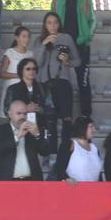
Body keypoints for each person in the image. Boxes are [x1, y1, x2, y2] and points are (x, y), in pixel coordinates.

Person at [51, 0, 96, 117]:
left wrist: (87, 37)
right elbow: (52, 21)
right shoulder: (57, 1)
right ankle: (60, 114)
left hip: (81, 44)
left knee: (83, 81)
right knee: (60, 80)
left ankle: (85, 116)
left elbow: (92, 20)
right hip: (62, 44)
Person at [36, 12, 77, 148]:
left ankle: (65, 150)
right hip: (46, 83)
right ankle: (51, 150)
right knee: (50, 119)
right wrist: (44, 44)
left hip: (63, 81)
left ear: (59, 24)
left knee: (67, 119)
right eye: (49, 22)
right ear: (45, 25)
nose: (53, 26)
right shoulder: (39, 40)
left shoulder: (66, 38)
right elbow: (36, 63)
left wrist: (67, 61)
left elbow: (78, 60)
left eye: (55, 22)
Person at [0, 99, 51, 181]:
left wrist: (37, 135)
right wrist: (18, 136)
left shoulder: (32, 129)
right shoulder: (0, 129)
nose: (22, 117)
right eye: (18, 113)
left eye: (25, 114)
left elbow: (45, 151)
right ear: (10, 114)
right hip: (7, 181)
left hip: (31, 181)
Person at [0, 26, 34, 121]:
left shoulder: (30, 54)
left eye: (28, 37)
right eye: (24, 36)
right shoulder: (10, 52)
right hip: (11, 89)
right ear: (16, 38)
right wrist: (19, 75)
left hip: (25, 90)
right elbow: (2, 73)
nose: (27, 39)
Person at [4, 59, 48, 133]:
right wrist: (24, 109)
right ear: (21, 71)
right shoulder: (13, 89)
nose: (32, 71)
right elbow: (6, 110)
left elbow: (50, 108)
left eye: (34, 69)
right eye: (28, 69)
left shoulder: (43, 87)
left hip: (39, 127)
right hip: (19, 128)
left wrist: (40, 109)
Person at [55, 116, 102, 184]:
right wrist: (66, 178)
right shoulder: (69, 145)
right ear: (82, 127)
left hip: (94, 191)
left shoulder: (94, 148)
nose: (94, 130)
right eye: (91, 126)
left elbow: (99, 175)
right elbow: (59, 168)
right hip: (74, 190)